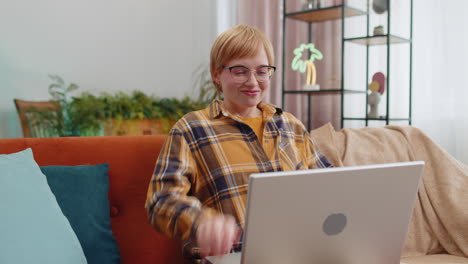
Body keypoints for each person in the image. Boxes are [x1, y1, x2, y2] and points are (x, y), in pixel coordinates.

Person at [145, 24, 333, 262]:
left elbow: (332, 186)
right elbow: (160, 201)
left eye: (262, 71)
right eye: (240, 71)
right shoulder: (191, 129)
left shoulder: (291, 126)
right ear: (217, 74)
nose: (253, 82)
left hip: (298, 255)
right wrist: (200, 222)